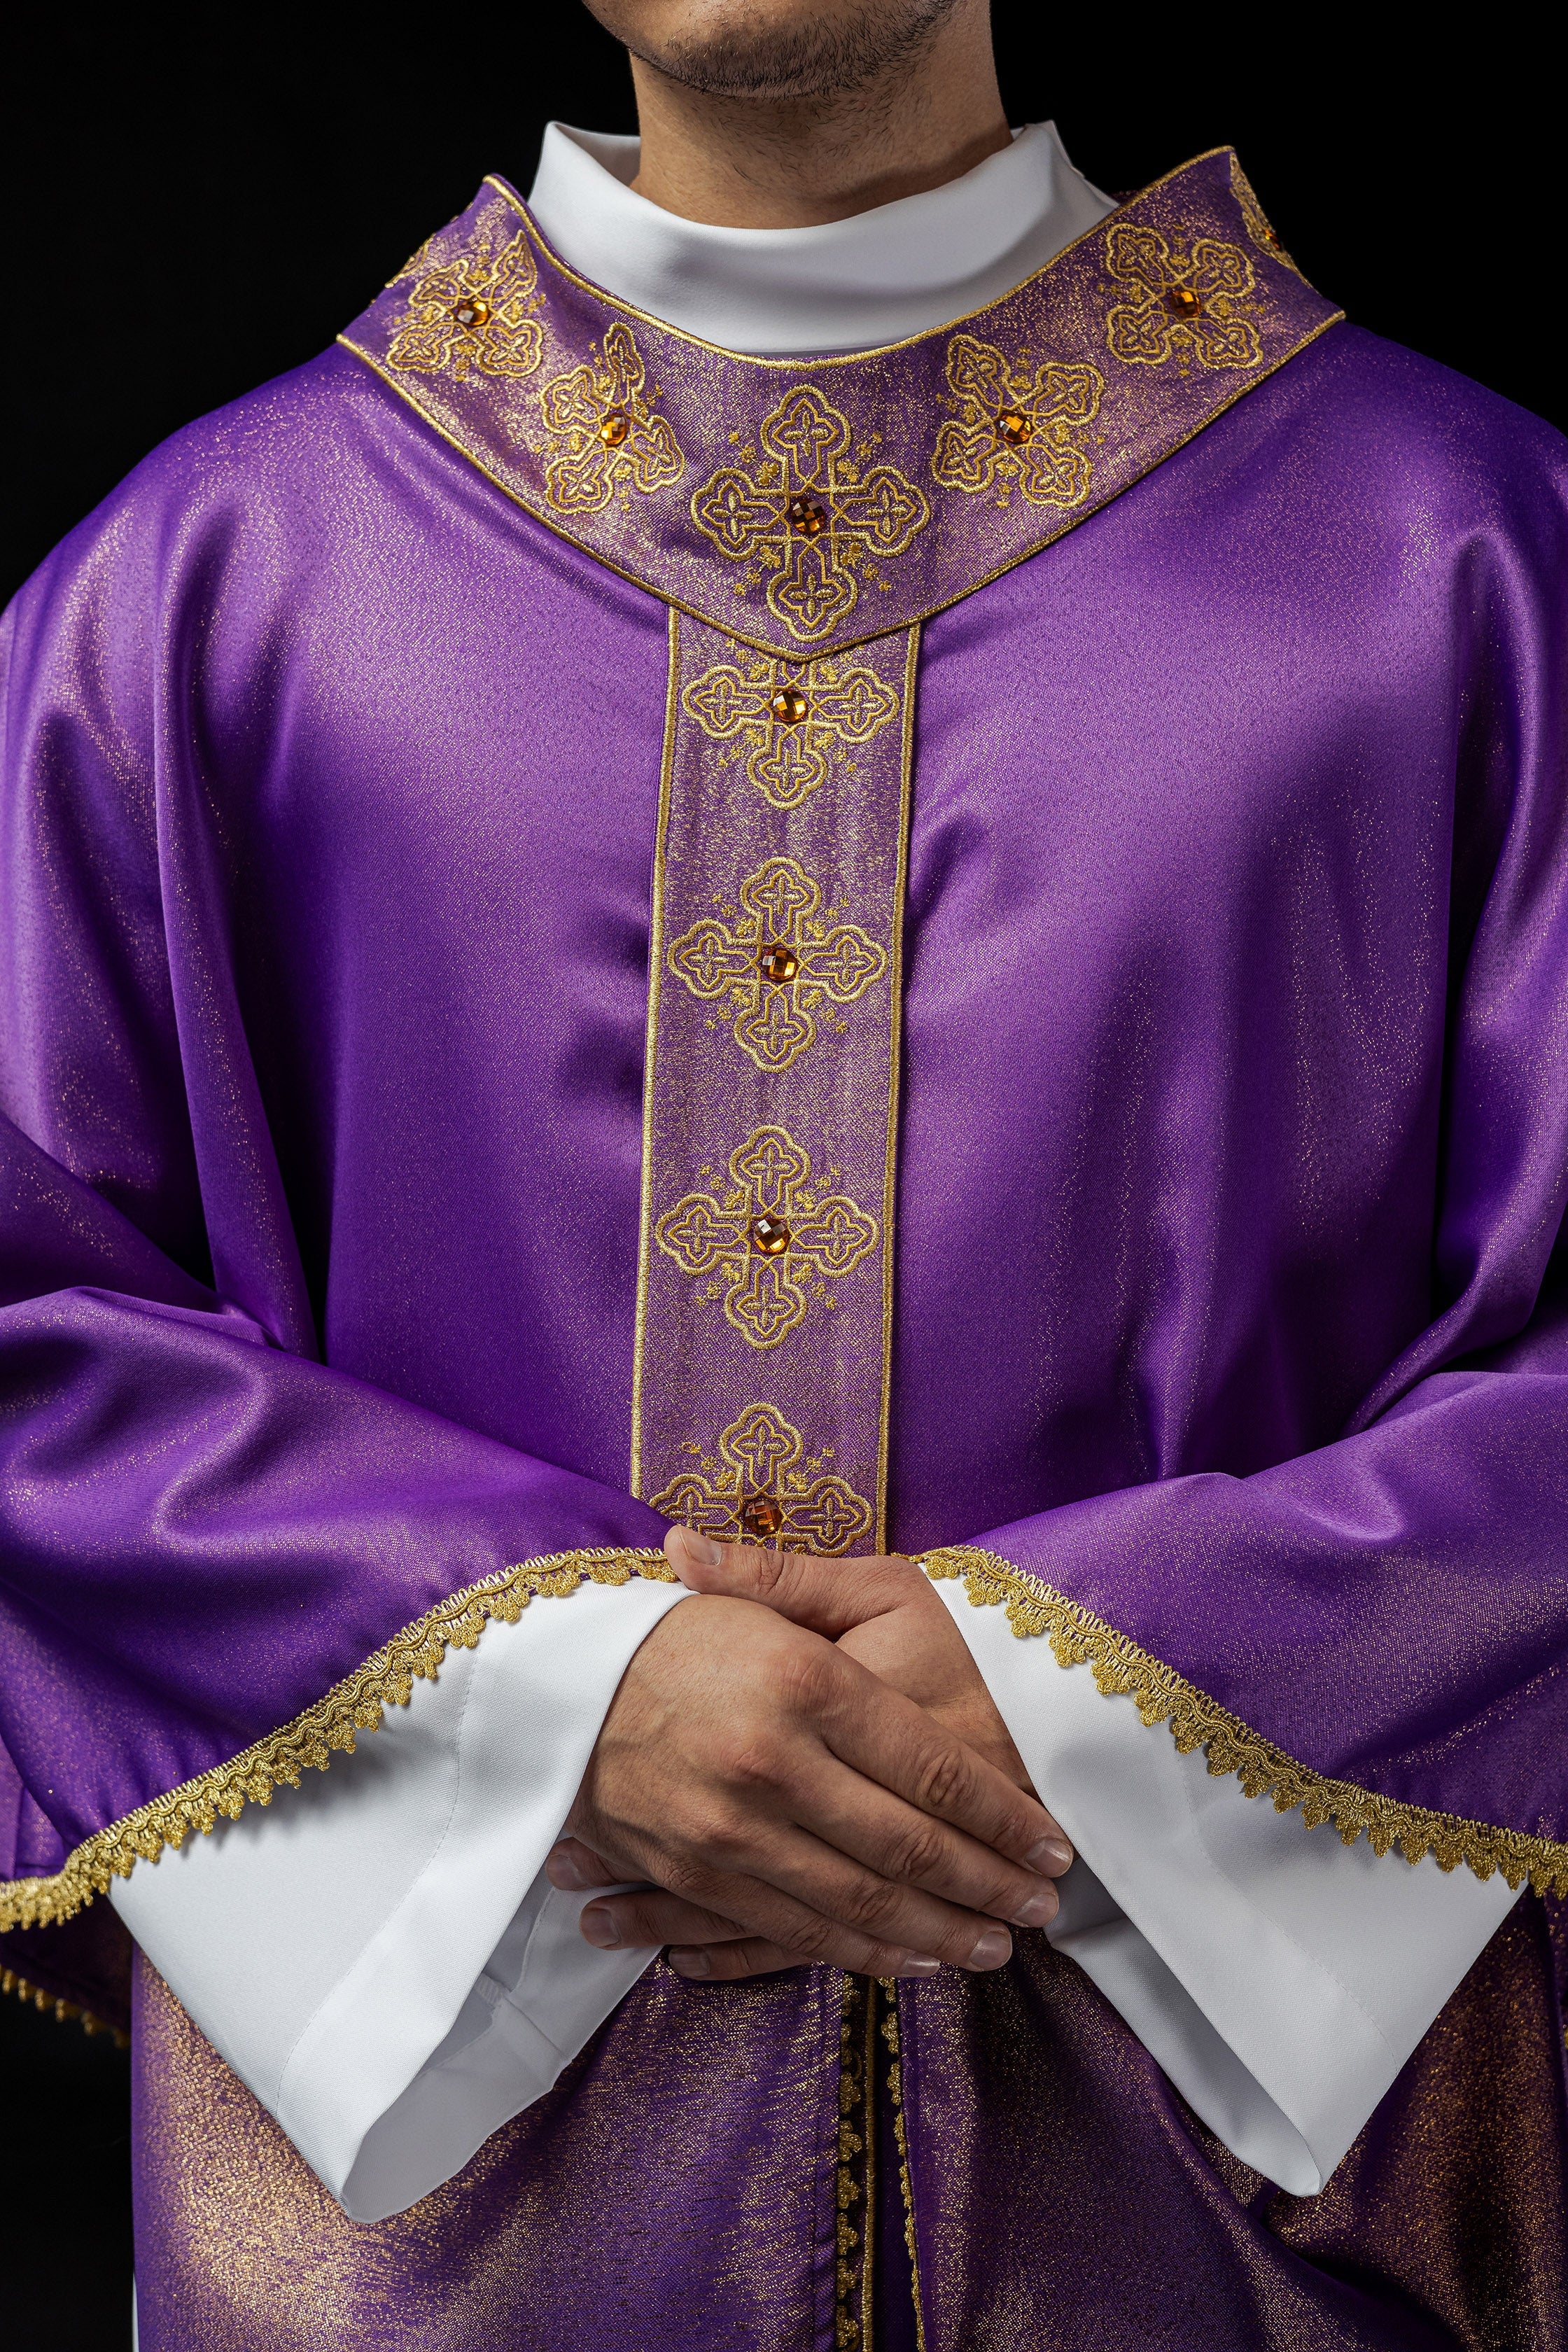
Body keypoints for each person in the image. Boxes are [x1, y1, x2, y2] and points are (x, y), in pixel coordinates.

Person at [3, 1, 1566, 2343]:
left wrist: (1099, 1698)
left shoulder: (1459, 560)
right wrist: (546, 1695)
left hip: (1252, 2255)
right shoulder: (202, 595)